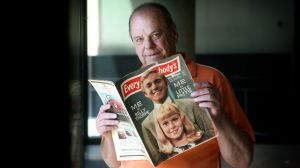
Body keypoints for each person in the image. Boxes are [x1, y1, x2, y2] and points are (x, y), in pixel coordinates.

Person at [96, 2, 255, 168]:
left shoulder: (212, 79)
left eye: (156, 35)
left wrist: (218, 116)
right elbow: (114, 163)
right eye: (139, 39)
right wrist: (107, 135)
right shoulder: (123, 91)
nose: (148, 47)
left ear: (174, 34)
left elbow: (242, 160)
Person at [140, 69, 214, 165]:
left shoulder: (191, 104)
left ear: (166, 82)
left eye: (158, 81)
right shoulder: (146, 124)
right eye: (148, 85)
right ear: (145, 93)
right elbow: (155, 159)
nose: (154, 87)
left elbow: (211, 133)